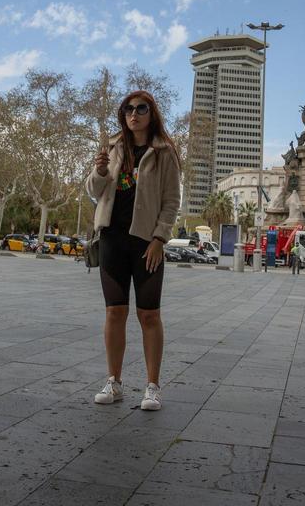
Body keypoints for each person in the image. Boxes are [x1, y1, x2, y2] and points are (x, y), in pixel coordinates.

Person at [86, 90, 180, 412]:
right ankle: (114, 381)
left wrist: (159, 239)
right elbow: (93, 192)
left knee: (149, 314)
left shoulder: (164, 152)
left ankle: (152, 386)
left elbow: (171, 202)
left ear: (151, 114)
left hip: (145, 244)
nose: (134, 114)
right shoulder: (113, 147)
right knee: (115, 312)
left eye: (141, 108)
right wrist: (99, 171)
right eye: (129, 109)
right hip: (112, 238)